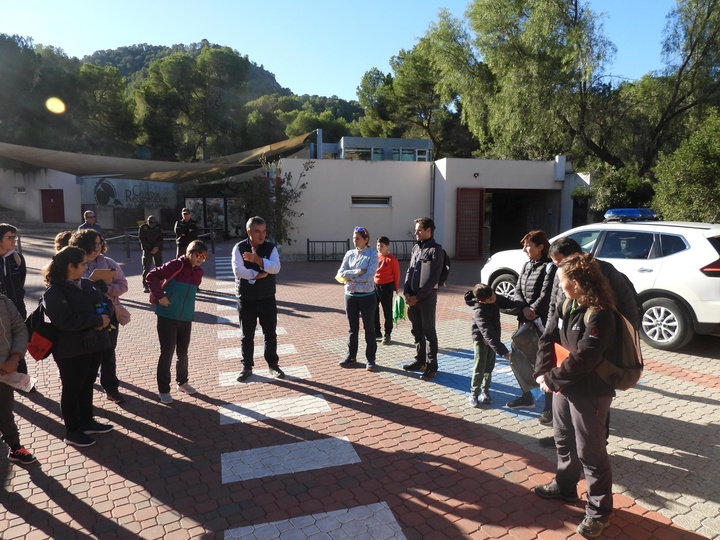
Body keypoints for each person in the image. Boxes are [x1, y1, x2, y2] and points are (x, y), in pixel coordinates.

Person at [533, 253, 617, 539]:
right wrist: (541, 372)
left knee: (590, 452)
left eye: (562, 281)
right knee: (563, 439)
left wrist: (551, 379)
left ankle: (599, 512)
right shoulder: (566, 302)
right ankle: (565, 486)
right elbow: (547, 337)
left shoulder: (601, 313)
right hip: (563, 386)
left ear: (578, 283)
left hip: (590, 392)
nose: (559, 286)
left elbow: (585, 357)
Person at [537, 236, 641, 448]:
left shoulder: (605, 272)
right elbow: (555, 303)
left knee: (595, 395)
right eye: (555, 264)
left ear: (575, 258)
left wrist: (620, 341)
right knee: (565, 397)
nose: (557, 267)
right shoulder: (562, 275)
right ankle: (565, 437)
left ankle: (597, 440)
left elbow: (628, 309)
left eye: (560, 262)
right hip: (568, 342)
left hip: (597, 347)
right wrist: (550, 329)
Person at [42, 246, 115, 447]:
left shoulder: (87, 284)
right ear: (70, 266)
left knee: (87, 383)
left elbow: (105, 301)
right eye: (83, 263)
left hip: (93, 345)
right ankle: (72, 430)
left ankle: (87, 421)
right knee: (73, 387)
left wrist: (104, 314)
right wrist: (96, 320)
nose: (87, 266)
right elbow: (64, 321)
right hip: (71, 349)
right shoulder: (54, 292)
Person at [70, 230, 129, 404]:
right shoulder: (73, 263)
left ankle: (111, 388)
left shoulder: (109, 262)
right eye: (94, 243)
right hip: (84, 318)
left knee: (108, 353)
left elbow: (123, 285)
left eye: (100, 242)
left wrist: (108, 289)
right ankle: (82, 393)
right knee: (85, 356)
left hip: (109, 315)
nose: (98, 247)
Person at [147, 239, 207, 404]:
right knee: (167, 353)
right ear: (189, 253)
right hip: (167, 315)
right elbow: (151, 276)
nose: (201, 259)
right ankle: (163, 390)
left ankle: (182, 382)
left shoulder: (199, 272)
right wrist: (161, 296)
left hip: (186, 317)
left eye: (204, 256)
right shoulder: (176, 265)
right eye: (198, 255)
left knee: (183, 352)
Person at [506, 230, 557, 409]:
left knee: (544, 362)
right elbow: (518, 289)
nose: (524, 250)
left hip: (541, 322)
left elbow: (547, 294)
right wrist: (524, 308)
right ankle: (527, 395)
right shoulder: (527, 266)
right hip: (525, 320)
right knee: (518, 356)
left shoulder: (550, 267)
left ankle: (550, 408)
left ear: (541, 247)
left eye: (528, 245)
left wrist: (533, 310)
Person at [232, 217, 283, 382]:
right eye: (257, 231)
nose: (262, 235)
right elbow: (238, 271)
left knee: (270, 334)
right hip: (246, 299)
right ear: (249, 232)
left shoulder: (270, 247)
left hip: (267, 297)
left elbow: (275, 268)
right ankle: (247, 366)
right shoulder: (239, 248)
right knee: (247, 335)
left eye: (264, 231)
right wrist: (257, 275)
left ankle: (273, 365)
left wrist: (258, 260)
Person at [402, 217, 444, 380]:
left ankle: (431, 365)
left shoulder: (436, 250)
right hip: (412, 298)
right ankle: (420, 361)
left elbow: (434, 278)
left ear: (429, 231)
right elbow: (409, 271)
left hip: (425, 298)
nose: (416, 233)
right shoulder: (415, 248)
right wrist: (406, 292)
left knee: (428, 331)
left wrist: (418, 297)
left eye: (419, 230)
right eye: (416, 230)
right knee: (416, 330)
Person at [0, 292, 36, 463]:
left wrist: (14, 357)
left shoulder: (3, 301)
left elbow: (20, 328)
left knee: (5, 410)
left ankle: (15, 447)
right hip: (3, 367)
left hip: (5, 373)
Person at [464, 284, 513, 407]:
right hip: (482, 341)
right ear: (482, 301)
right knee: (479, 366)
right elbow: (487, 333)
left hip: (493, 340)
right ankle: (474, 393)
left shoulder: (493, 299)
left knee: (489, 366)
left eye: (494, 295)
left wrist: (522, 306)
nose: (495, 299)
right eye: (491, 299)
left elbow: (508, 303)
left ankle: (485, 390)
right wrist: (504, 352)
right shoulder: (479, 311)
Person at [337, 227, 379, 370]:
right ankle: (351, 356)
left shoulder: (372, 254)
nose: (355, 240)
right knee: (352, 329)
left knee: (369, 328)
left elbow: (369, 276)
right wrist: (357, 273)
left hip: (367, 296)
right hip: (350, 296)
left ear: (366, 240)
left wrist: (351, 277)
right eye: (354, 238)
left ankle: (371, 359)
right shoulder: (349, 254)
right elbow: (341, 273)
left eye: (358, 238)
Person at [0, 224, 28, 376]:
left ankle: (21, 376)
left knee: (19, 339)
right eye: (9, 237)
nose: (14, 241)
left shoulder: (17, 258)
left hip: (17, 306)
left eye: (15, 237)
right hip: (1, 309)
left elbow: (20, 281)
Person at [374, 236, 400, 345]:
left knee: (387, 312)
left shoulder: (391, 259)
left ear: (387, 246)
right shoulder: (375, 257)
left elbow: (396, 274)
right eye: (378, 245)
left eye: (382, 246)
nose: (379, 247)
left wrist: (396, 287)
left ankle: (387, 333)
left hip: (387, 287)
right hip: (375, 286)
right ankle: (377, 332)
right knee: (374, 310)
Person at [139, 215, 164, 293]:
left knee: (159, 268)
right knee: (146, 268)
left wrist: (156, 247)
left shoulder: (159, 227)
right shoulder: (143, 228)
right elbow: (142, 239)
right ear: (147, 221)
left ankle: (160, 284)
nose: (151, 225)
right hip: (147, 250)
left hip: (157, 249)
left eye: (153, 223)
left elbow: (161, 238)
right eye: (150, 223)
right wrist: (150, 248)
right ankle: (145, 285)